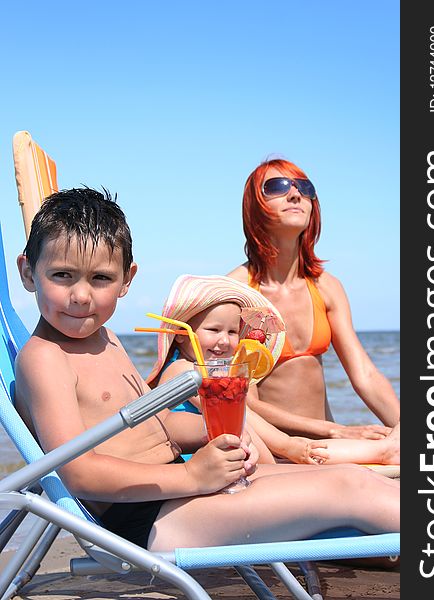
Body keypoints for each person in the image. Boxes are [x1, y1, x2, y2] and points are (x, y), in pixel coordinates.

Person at [14, 187, 399, 554]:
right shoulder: (45, 358)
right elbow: (77, 473)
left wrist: (217, 433)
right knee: (347, 487)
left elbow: (158, 425)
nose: (81, 296)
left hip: (172, 490)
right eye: (62, 275)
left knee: (356, 476)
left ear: (126, 280)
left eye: (100, 278)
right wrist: (193, 477)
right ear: (29, 273)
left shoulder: (107, 339)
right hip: (144, 518)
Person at [228, 158, 400, 440]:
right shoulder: (237, 292)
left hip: (330, 442)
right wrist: (337, 430)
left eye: (305, 187)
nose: (295, 194)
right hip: (274, 450)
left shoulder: (326, 287)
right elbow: (245, 401)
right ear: (254, 205)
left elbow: (365, 375)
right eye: (277, 186)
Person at [147, 274, 399, 467]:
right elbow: (241, 414)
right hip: (199, 464)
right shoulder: (181, 370)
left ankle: (384, 450)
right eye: (213, 331)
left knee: (303, 455)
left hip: (228, 456)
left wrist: (286, 448)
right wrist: (286, 445)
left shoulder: (215, 372)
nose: (224, 341)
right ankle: (384, 451)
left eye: (232, 332)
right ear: (180, 335)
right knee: (300, 457)